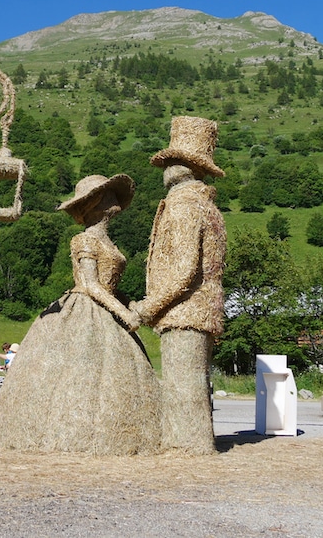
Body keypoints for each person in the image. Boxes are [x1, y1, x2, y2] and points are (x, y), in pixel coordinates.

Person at [0, 174, 161, 455]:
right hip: (85, 309)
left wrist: (132, 306)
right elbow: (90, 284)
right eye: (105, 194)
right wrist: (124, 313)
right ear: (94, 203)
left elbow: (109, 287)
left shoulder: (107, 243)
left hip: (107, 307)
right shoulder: (84, 239)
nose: (112, 200)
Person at [132, 116, 227, 454]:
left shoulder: (185, 204)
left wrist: (148, 307)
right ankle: (190, 443)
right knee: (192, 384)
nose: (166, 166)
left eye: (173, 160)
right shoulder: (207, 205)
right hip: (198, 310)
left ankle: (188, 447)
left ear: (188, 166)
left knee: (183, 387)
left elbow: (185, 270)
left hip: (184, 310)